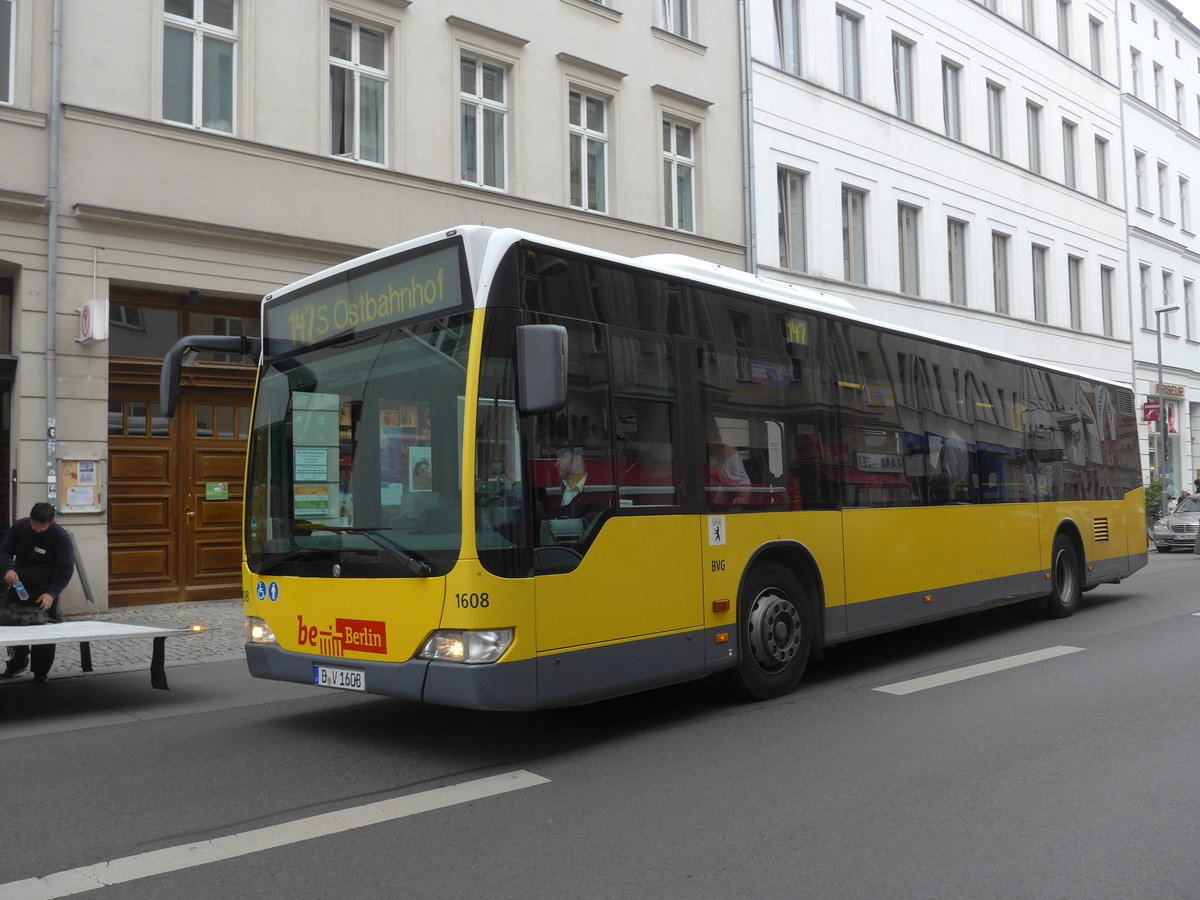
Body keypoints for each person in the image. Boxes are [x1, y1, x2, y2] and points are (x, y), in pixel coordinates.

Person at [0, 503, 76, 683]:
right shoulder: (20, 527)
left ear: (52, 521)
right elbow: (4, 551)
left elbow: (66, 569)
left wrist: (52, 593)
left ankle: (41, 672)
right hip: (18, 585)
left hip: (45, 590)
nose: (38, 529)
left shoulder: (60, 537)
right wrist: (8, 570)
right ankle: (17, 662)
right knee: (12, 627)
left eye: (42, 526)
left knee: (45, 632)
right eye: (34, 525)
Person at [707, 441, 751, 506]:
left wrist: (743, 498)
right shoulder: (696, 451)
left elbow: (742, 482)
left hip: (717, 507)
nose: (717, 450)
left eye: (718, 447)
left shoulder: (729, 454)